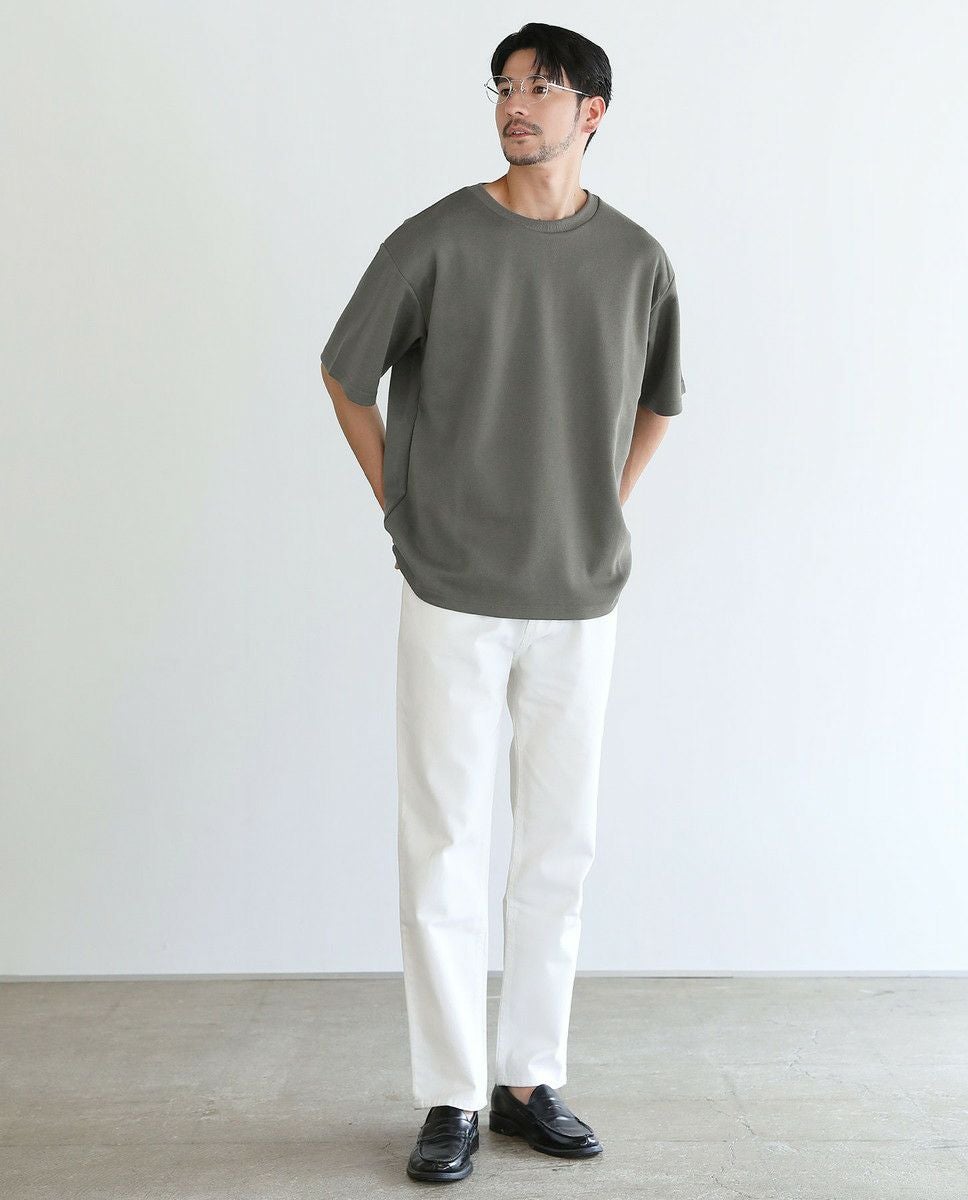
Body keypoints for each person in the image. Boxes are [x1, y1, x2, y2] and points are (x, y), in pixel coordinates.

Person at [319, 22, 687, 1184]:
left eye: (542, 88)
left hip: (579, 596)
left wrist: (599, 510)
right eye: (504, 86)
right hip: (454, 591)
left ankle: (528, 1078)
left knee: (558, 848)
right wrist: (401, 505)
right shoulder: (435, 240)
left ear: (592, 113)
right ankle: (448, 1094)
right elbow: (345, 371)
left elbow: (659, 402)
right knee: (443, 843)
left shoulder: (636, 259)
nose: (515, 105)